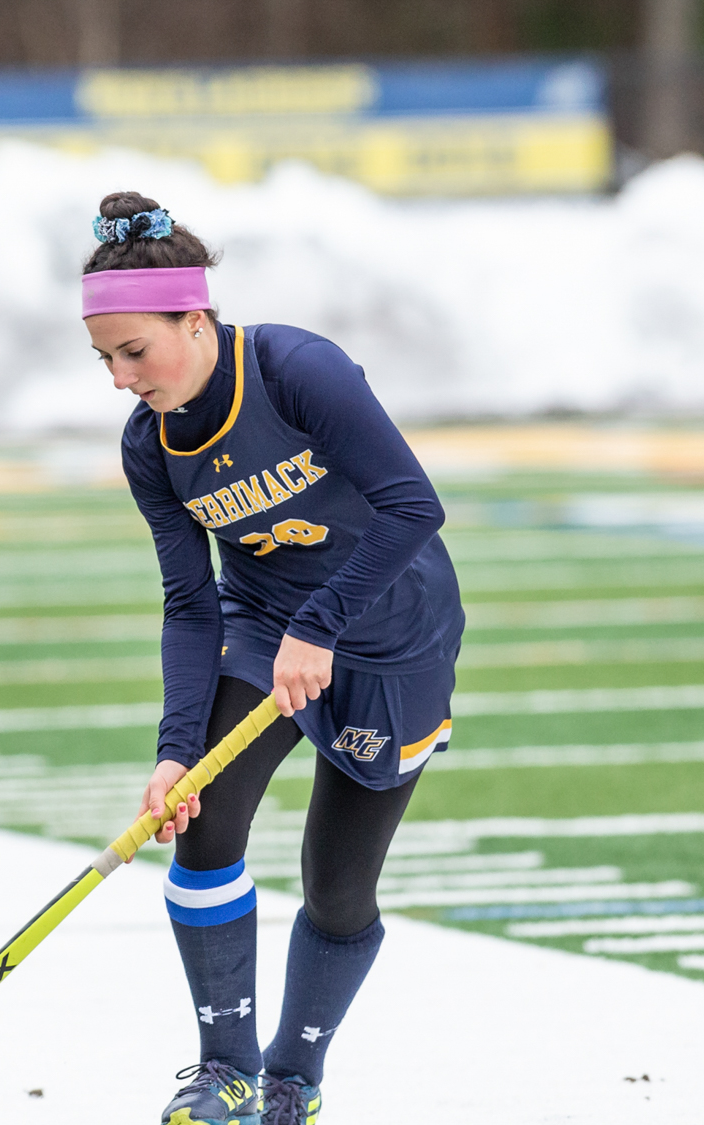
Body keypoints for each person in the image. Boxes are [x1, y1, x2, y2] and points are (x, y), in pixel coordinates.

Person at [82, 192, 463, 1125]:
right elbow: (187, 601)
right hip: (262, 622)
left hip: (391, 633)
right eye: (105, 359)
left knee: (338, 885)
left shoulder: (296, 369)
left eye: (136, 350)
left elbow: (416, 508)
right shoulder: (151, 446)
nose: (123, 378)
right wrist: (176, 747)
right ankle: (228, 1073)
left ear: (195, 318)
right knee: (203, 830)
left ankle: (294, 1074)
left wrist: (324, 624)